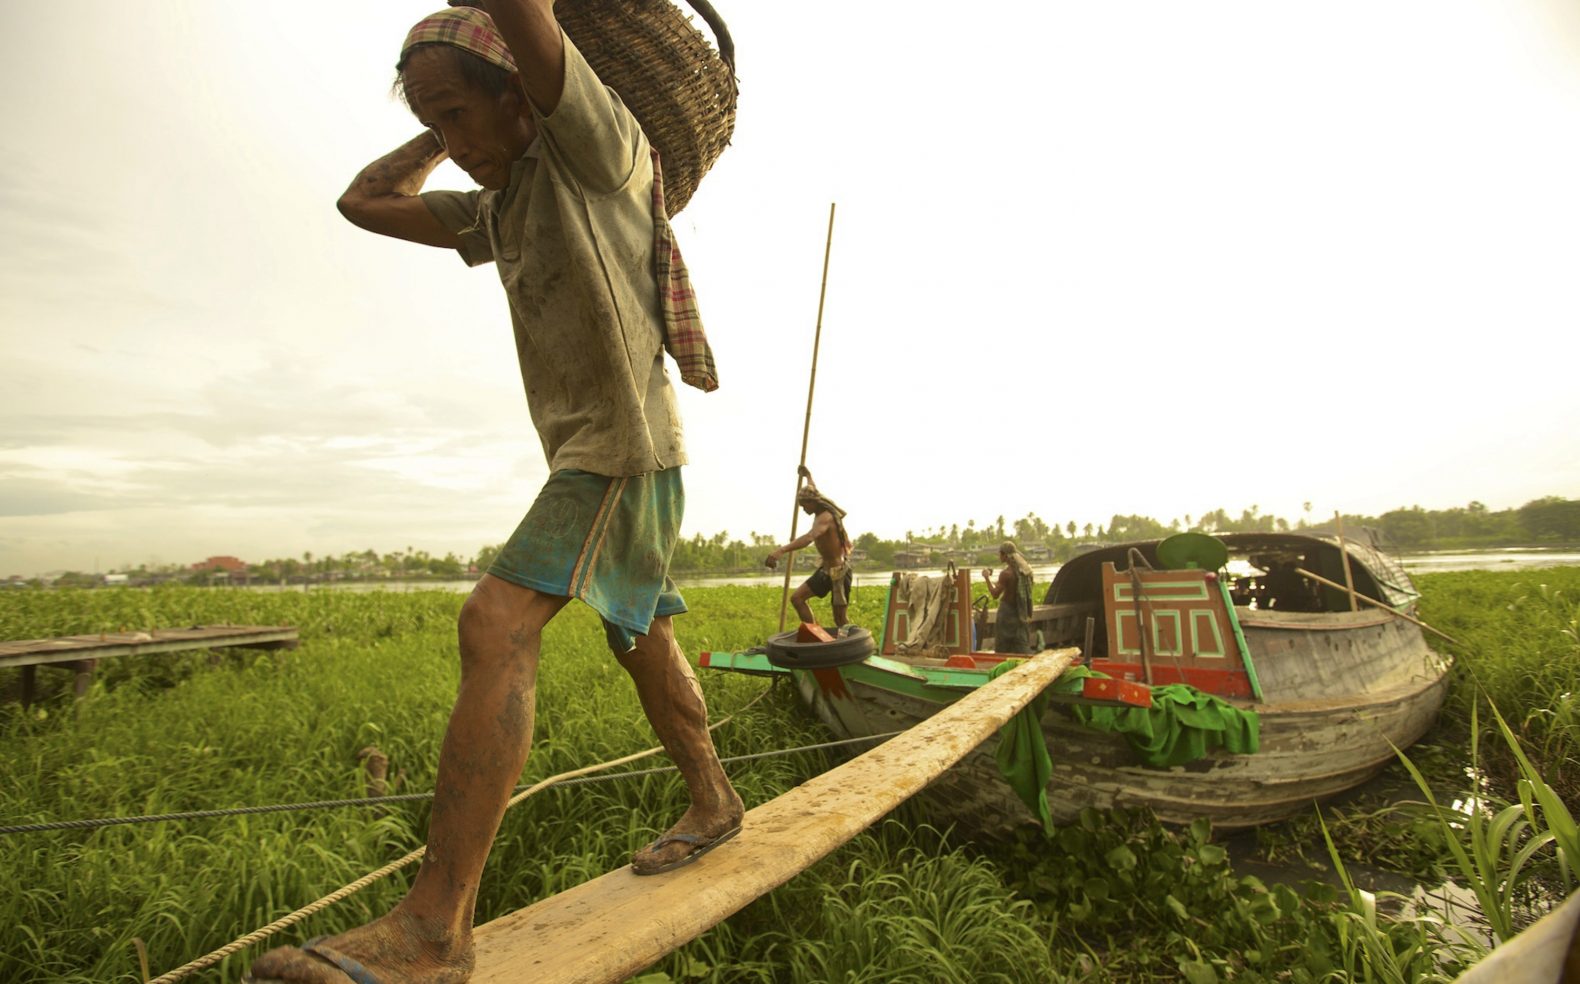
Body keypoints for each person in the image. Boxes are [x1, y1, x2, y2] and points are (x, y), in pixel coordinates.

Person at [246, 3, 742, 981]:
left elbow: (527, 25)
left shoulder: (594, 151)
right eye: (437, 125)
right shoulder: (499, 206)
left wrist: (499, 62)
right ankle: (715, 800)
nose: (455, 145)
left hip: (618, 451)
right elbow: (361, 202)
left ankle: (434, 931)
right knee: (643, 640)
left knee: (495, 623)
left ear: (524, 95)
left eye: (462, 118)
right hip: (608, 456)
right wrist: (440, 123)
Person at [763, 466, 853, 628]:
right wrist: (808, 476)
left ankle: (851, 647)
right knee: (797, 599)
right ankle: (816, 635)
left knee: (840, 619)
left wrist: (781, 550)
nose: (804, 510)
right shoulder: (818, 506)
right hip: (825, 571)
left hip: (839, 572)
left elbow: (809, 538)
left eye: (805, 506)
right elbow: (813, 489)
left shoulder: (825, 518)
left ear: (813, 502)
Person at [982, 540, 1036, 654]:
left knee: (1003, 646)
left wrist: (986, 578)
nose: (999, 556)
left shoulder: (1006, 574)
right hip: (1020, 613)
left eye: (1000, 554)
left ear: (1005, 555)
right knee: (1020, 645)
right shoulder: (1024, 572)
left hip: (1006, 614)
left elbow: (995, 594)